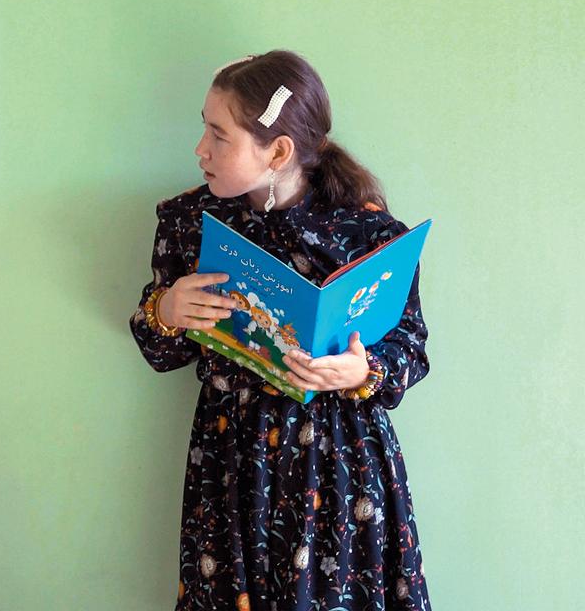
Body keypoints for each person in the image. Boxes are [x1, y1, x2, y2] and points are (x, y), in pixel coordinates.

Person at [130, 51, 430, 611]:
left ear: (279, 151)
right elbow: (158, 352)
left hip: (340, 464)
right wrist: (166, 310)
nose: (200, 149)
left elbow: (411, 347)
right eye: (203, 128)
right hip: (230, 459)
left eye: (219, 136)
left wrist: (362, 370)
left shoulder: (369, 232)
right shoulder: (188, 223)